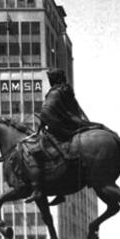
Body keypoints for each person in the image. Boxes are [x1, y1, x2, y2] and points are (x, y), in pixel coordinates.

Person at [24, 68, 94, 204]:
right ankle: (60, 191)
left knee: (34, 150)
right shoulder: (67, 91)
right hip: (72, 125)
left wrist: (42, 122)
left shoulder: (55, 92)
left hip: (60, 128)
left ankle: (37, 189)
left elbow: (46, 111)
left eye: (50, 79)